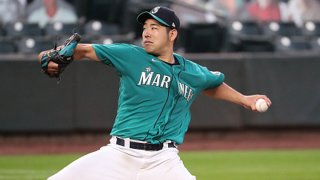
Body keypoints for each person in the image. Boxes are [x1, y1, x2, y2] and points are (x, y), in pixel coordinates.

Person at [39, 6, 272, 180]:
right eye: (145, 28)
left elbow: (212, 84)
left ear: (172, 34)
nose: (147, 33)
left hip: (164, 162)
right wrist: (48, 57)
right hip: (119, 155)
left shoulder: (192, 71)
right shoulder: (130, 55)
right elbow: (81, 51)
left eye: (155, 28)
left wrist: (244, 100)